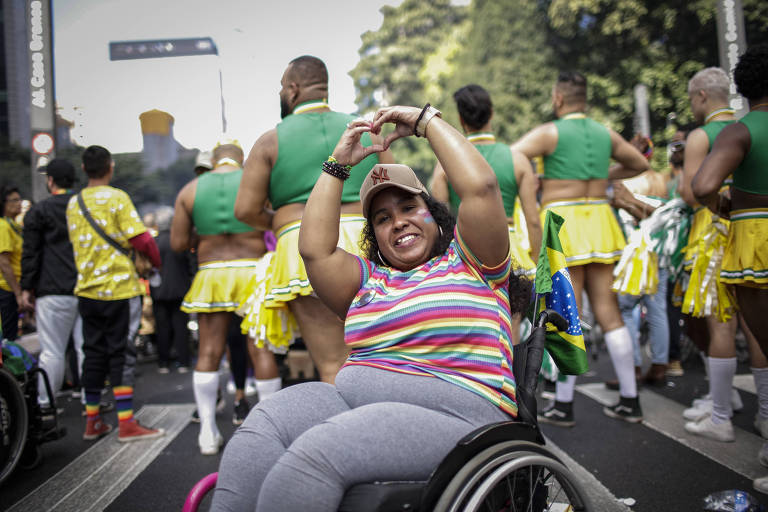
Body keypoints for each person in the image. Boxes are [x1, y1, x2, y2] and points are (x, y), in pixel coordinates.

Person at [213, 104, 531, 512]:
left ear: (436, 217)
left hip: (461, 415)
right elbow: (314, 250)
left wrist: (425, 122)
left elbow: (481, 188)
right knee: (264, 424)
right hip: (357, 406)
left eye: (409, 208)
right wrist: (337, 165)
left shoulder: (472, 263)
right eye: (382, 218)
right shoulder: (368, 280)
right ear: (375, 237)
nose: (397, 222)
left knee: (316, 455)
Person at [234, 55, 394, 383]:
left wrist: (279, 221)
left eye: (282, 88)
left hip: (301, 242)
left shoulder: (269, 140)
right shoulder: (366, 131)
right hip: (371, 238)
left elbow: (245, 210)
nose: (282, 93)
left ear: (293, 89)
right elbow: (396, 183)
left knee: (333, 363)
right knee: (387, 356)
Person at [511, 71, 649, 425]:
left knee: (566, 312)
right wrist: (604, 176)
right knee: (609, 311)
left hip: (564, 224)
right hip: (600, 220)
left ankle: (564, 404)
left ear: (558, 98)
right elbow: (641, 162)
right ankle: (630, 399)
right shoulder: (605, 133)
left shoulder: (550, 133)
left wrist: (537, 179)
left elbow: (512, 157)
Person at [172, 140, 279, 454]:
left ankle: (207, 433)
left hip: (212, 272)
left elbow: (178, 243)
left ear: (214, 160)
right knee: (261, 350)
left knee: (208, 351)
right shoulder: (255, 182)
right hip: (253, 271)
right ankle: (271, 433)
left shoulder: (190, 190)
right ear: (240, 158)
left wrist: (203, 234)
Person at [677, 67, 762, 441]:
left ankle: (721, 414)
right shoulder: (747, 126)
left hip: (713, 232)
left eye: (691, 99)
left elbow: (691, 192)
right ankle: (763, 413)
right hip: (749, 234)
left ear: (701, 96)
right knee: (756, 326)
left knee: (721, 324)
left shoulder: (702, 136)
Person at [66, 145, 164, 442]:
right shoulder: (117, 198)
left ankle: (92, 421)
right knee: (122, 354)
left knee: (93, 353)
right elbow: (142, 239)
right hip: (120, 290)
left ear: (84, 169)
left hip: (87, 291)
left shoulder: (74, 203)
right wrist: (155, 262)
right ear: (110, 167)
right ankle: (126, 423)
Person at [432, 84, 541, 344]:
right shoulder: (517, 159)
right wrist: (538, 261)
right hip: (511, 247)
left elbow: (440, 220)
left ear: (461, 120)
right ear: (491, 113)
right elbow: (533, 220)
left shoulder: (445, 164)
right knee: (512, 326)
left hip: (467, 250)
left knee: (474, 325)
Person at [20, 159, 85, 408]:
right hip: (87, 287)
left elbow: (31, 253)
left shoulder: (40, 211)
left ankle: (46, 404)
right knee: (85, 348)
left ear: (50, 181)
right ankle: (91, 402)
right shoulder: (84, 207)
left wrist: (27, 287)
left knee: (53, 351)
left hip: (52, 290)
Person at [150, 207, 193, 373]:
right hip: (180, 289)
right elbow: (190, 264)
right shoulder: (179, 241)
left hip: (158, 290)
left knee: (162, 327)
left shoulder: (153, 243)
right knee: (181, 326)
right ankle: (183, 361)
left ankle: (163, 362)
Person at [0, 184, 24, 340]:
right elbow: (4, 263)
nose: (19, 203)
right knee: (8, 339)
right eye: (14, 200)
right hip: (6, 290)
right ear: (4, 204)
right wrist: (17, 293)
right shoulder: (3, 226)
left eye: (19, 199)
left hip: (12, 288)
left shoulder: (14, 226)